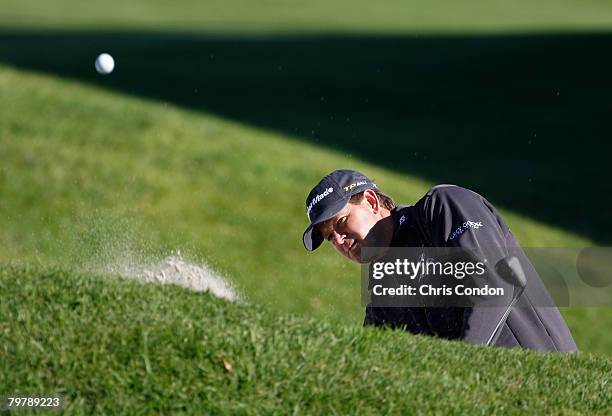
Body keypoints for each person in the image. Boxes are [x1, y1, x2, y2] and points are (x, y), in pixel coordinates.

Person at [302, 169, 577, 352]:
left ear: (372, 202)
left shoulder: (442, 207)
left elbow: (496, 281)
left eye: (341, 222)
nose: (339, 240)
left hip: (548, 383)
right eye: (329, 238)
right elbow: (375, 359)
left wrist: (461, 366)